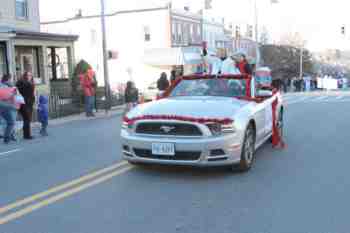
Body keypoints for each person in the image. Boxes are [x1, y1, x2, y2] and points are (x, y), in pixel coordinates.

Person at [16, 72, 35, 140]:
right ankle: (27, 135)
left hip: (25, 103)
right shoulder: (26, 83)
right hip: (26, 103)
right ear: (25, 76)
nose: (30, 76)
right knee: (27, 119)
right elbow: (30, 94)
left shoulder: (21, 83)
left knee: (26, 119)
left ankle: (26, 134)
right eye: (28, 75)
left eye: (30, 75)